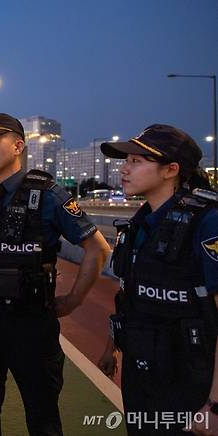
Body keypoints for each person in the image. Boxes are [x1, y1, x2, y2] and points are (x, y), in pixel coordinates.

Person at [0, 113, 111, 435]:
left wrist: (74, 300)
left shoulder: (48, 195)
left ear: (18, 145)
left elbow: (98, 248)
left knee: (43, 417)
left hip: (31, 325)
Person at [96, 125, 218, 435]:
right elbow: (129, 295)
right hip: (142, 374)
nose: (123, 168)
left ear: (171, 170)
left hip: (191, 383)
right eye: (126, 161)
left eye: (136, 161)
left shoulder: (207, 221)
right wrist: (113, 347)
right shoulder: (139, 225)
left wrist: (214, 404)